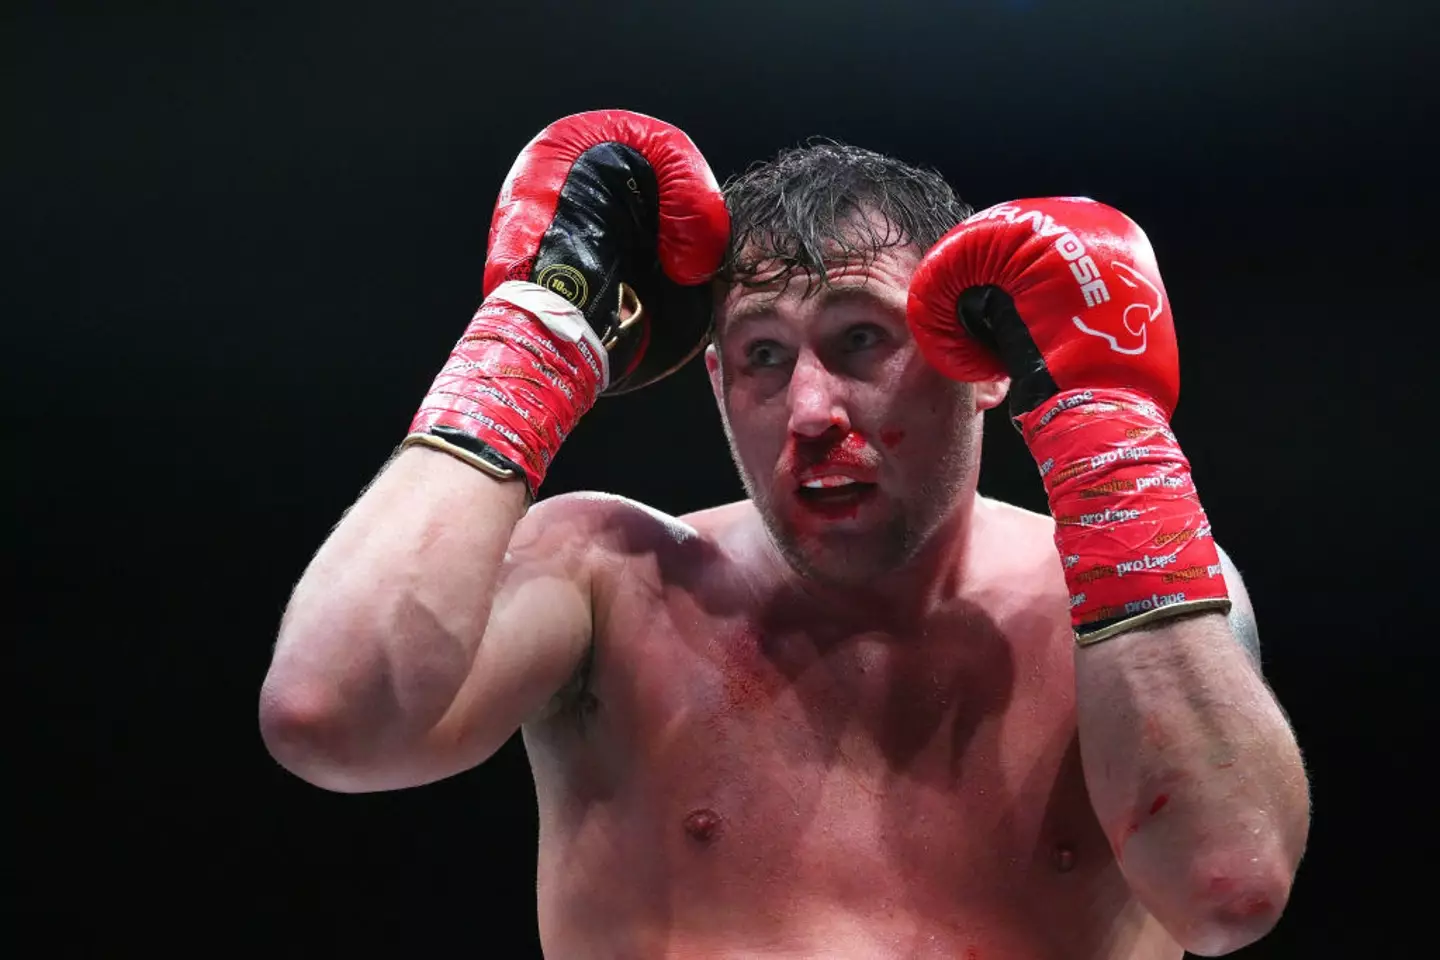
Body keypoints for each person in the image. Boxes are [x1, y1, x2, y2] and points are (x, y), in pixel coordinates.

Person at [259, 110, 1310, 958]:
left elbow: (1230, 887)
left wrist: (1109, 442)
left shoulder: (1131, 606)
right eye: (762, 357)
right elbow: (329, 714)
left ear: (986, 363)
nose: (810, 407)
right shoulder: (607, 579)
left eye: (861, 339)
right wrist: (532, 338)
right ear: (714, 384)